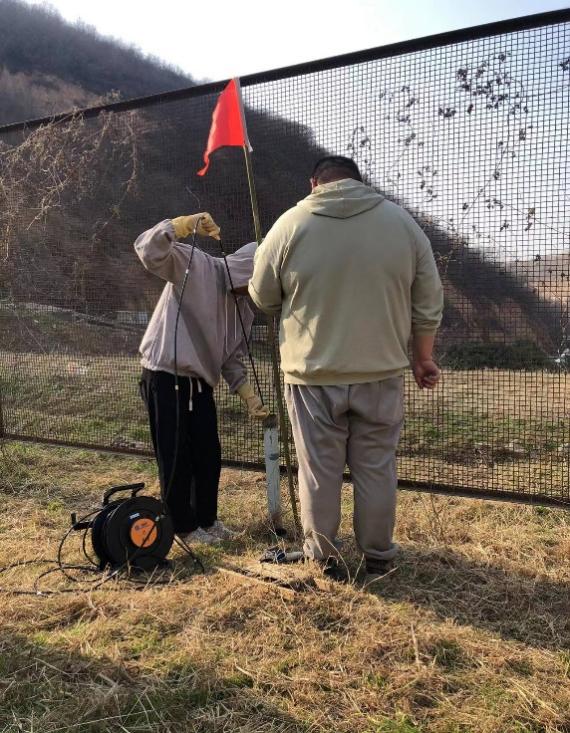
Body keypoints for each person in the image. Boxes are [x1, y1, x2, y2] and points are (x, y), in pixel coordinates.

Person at [249, 156, 443, 579]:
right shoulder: (402, 224)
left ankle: (324, 559)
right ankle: (378, 558)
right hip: (381, 372)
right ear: (359, 182)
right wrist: (423, 356)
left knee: (319, 471)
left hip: (311, 376)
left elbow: (262, 297)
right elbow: (428, 300)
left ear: (313, 183)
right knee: (376, 468)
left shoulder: (289, 224)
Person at [135, 213, 268, 544]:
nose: (255, 291)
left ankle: (207, 522)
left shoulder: (243, 308)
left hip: (200, 385)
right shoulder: (196, 264)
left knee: (208, 456)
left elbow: (231, 357)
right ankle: (182, 527)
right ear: (247, 269)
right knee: (177, 456)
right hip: (166, 375)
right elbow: (148, 251)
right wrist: (180, 226)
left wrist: (249, 396)